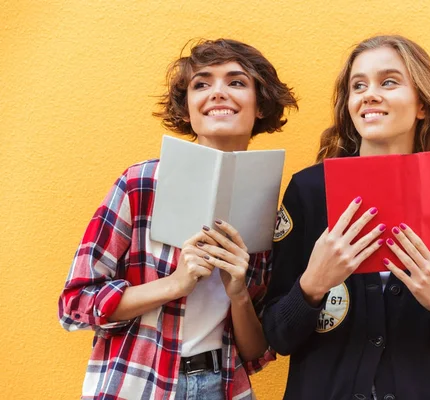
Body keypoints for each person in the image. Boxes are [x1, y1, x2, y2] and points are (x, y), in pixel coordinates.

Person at [58, 38, 298, 400]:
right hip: (136, 383)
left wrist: (238, 294)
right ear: (186, 109)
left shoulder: (266, 202)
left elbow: (255, 351)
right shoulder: (141, 183)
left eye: (236, 82)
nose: (217, 92)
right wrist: (176, 284)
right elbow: (75, 303)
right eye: (201, 84)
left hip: (222, 386)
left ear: (260, 104)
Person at [263, 35, 430, 400]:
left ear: (422, 105)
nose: (369, 94)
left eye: (389, 82)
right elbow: (275, 336)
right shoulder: (308, 191)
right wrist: (312, 285)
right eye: (358, 86)